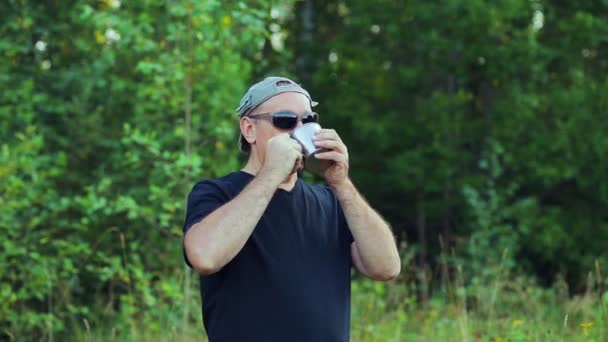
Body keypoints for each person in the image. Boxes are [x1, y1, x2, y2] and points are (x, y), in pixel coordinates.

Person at [183, 76, 401, 342]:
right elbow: (204, 257)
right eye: (285, 121)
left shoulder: (331, 202)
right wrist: (272, 173)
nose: (299, 131)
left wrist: (341, 183)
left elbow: (386, 267)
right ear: (249, 129)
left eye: (308, 121)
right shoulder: (217, 193)